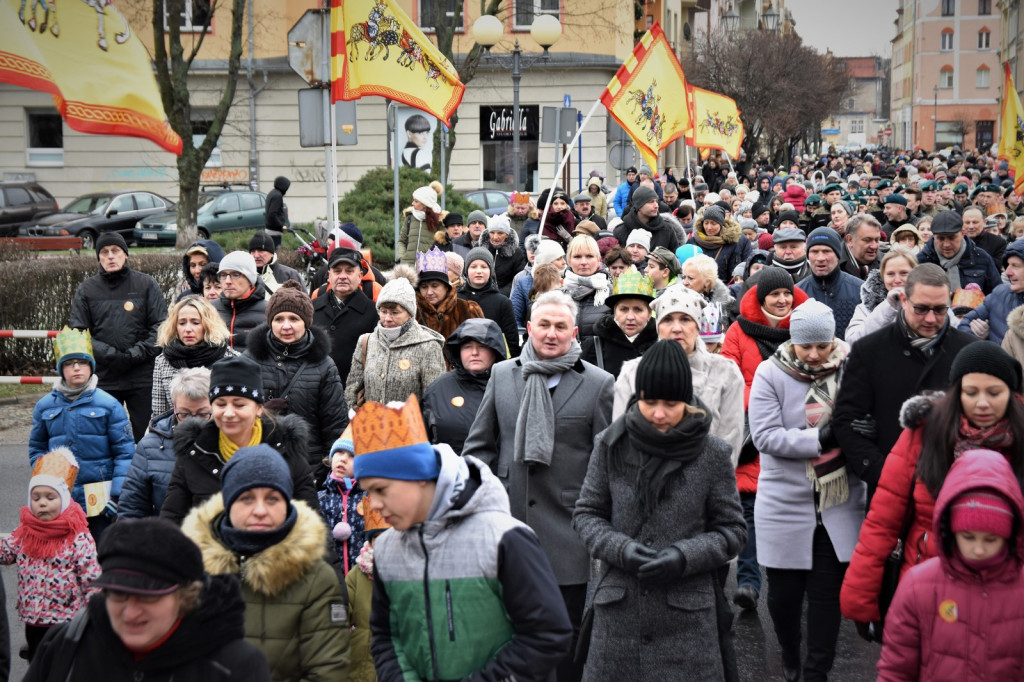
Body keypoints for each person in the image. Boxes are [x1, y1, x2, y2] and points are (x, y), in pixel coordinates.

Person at [353, 396, 573, 681]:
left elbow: (547, 634)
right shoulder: (386, 550)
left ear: (418, 475)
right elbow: (386, 636)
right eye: (368, 493)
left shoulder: (503, 538)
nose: (374, 505)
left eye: (381, 489)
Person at [572, 339, 747, 681]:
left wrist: (684, 556)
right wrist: (622, 549)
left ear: (687, 401)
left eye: (671, 403)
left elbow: (733, 531)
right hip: (619, 617)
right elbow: (587, 515)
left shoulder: (712, 454)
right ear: (638, 398)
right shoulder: (610, 444)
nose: (659, 414)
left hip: (689, 619)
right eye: (650, 402)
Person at [462, 290, 614, 682]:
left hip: (569, 532)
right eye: (543, 325)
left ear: (573, 332)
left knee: (563, 637)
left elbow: (608, 458)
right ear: (528, 328)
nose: (550, 334)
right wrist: (482, 501)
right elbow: (479, 447)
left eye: (560, 327)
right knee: (510, 632)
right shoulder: (502, 374)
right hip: (507, 526)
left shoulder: (598, 383)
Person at [840, 341, 1024, 635]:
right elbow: (883, 520)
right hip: (926, 591)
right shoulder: (925, 435)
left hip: (1006, 601)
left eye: (994, 392)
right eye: (971, 392)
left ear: (1012, 395)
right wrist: (861, 598)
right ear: (956, 393)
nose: (982, 403)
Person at [749, 300, 866, 682]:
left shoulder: (853, 369)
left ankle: (816, 672)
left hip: (838, 502)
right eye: (806, 347)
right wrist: (821, 438)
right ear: (792, 341)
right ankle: (789, 649)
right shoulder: (770, 373)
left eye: (822, 346)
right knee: (783, 600)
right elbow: (765, 436)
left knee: (825, 600)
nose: (815, 355)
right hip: (785, 502)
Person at [22, 517, 271, 682]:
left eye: (148, 597)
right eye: (119, 594)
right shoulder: (66, 644)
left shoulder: (236, 667)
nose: (130, 613)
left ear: (184, 597)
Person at [182, 446, 349, 681]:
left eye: (272, 498)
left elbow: (329, 671)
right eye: (246, 498)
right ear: (228, 502)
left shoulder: (316, 577)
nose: (260, 511)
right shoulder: (192, 569)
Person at [876, 449, 1024, 682]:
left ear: (1010, 534)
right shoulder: (918, 586)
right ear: (951, 529)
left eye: (991, 539)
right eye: (968, 536)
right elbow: (895, 670)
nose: (978, 549)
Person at [832, 263, 977, 498]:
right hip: (890, 489)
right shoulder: (870, 350)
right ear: (904, 301)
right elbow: (846, 418)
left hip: (955, 488)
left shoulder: (969, 351)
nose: (931, 319)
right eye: (921, 309)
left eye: (940, 310)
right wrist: (881, 472)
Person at [722, 268, 810, 611]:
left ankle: (787, 583)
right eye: (774, 294)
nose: (782, 300)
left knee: (788, 513)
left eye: (787, 294)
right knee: (749, 513)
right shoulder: (738, 330)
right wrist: (760, 405)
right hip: (749, 433)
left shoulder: (803, 329)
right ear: (761, 298)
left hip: (791, 433)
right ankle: (748, 581)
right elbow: (730, 375)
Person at [160, 355, 317, 524]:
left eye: (239, 404)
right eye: (221, 404)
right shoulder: (194, 452)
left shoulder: (286, 450)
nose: (228, 413)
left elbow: (313, 526)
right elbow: (172, 521)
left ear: (258, 408)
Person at [614, 284, 745, 462]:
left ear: (697, 326)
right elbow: (622, 438)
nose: (676, 328)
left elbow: (730, 438)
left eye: (685, 319)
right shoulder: (633, 372)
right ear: (658, 326)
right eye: (668, 320)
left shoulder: (725, 372)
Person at [30, 328, 135, 541]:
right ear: (61, 369)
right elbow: (36, 449)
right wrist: (45, 480)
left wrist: (116, 496)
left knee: (100, 554)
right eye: (69, 363)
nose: (76, 368)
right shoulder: (44, 407)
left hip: (99, 501)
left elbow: (125, 453)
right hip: (61, 498)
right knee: (63, 554)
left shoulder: (109, 405)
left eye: (82, 362)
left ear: (91, 367)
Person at [1, 448, 101, 661]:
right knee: (38, 664)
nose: (42, 503)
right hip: (33, 619)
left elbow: (91, 577)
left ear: (63, 500)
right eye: (36, 498)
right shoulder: (25, 533)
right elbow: (6, 551)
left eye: (50, 497)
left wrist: (97, 613)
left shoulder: (78, 537)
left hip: (66, 620)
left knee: (62, 666)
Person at [244, 281, 348, 479]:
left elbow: (335, 425)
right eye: (279, 319)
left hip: (309, 469)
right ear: (270, 322)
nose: (286, 326)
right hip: (260, 464)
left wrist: (329, 470)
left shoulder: (324, 366)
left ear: (306, 322)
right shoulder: (250, 360)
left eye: (294, 318)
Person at [69, 233, 166, 441]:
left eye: (116, 251)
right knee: (103, 438)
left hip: (142, 376)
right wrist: (111, 355)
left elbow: (161, 326)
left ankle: (145, 474)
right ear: (98, 258)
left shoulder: (146, 284)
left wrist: (135, 354)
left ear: (125, 255)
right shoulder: (87, 289)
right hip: (104, 377)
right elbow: (79, 332)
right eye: (104, 252)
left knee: (148, 436)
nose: (110, 256)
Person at [120, 368, 212, 519]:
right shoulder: (150, 446)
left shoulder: (233, 441)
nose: (193, 422)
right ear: (174, 407)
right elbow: (131, 509)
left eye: (203, 414)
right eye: (185, 414)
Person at [345, 277, 446, 408]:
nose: (387, 318)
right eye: (383, 311)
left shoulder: (428, 346)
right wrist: (354, 416)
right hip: (371, 426)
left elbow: (435, 400)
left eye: (395, 312)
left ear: (410, 313)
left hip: (410, 427)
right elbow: (352, 389)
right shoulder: (366, 342)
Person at [421, 318, 506, 454]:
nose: (474, 353)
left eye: (482, 346)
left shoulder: (510, 386)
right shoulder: (438, 389)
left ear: (495, 350)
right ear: (458, 351)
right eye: (467, 347)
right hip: (449, 471)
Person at [151, 296, 238, 417]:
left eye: (195, 322)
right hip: (178, 431)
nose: (187, 329)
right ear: (175, 326)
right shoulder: (163, 361)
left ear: (208, 324)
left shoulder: (231, 359)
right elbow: (159, 414)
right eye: (182, 323)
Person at [311, 246, 380, 388]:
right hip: (316, 391)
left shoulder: (374, 313)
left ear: (360, 275)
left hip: (356, 394)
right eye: (337, 271)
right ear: (329, 275)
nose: (343, 276)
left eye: (349, 271)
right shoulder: (311, 309)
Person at [580, 266, 658, 378]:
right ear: (614, 312)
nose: (630, 317)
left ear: (649, 313)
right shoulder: (594, 346)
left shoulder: (661, 345)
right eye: (624, 309)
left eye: (638, 309)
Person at [344, 495, 389, 682]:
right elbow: (342, 611)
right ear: (370, 542)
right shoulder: (356, 575)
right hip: (361, 660)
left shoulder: (409, 574)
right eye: (379, 538)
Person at [797, 227, 863, 340]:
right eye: (814, 252)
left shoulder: (861, 290)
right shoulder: (797, 293)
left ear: (838, 255)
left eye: (827, 251)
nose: (820, 258)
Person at [844, 248, 919, 346]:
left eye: (904, 273)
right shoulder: (868, 305)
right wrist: (888, 306)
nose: (897, 280)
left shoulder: (930, 301)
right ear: (883, 277)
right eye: (890, 274)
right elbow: (852, 340)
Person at [916, 210, 1002, 295]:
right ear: (933, 236)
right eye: (941, 238)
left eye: (951, 238)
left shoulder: (982, 258)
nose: (946, 244)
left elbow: (998, 295)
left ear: (963, 233)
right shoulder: (921, 262)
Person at [412, 246, 484, 345]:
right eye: (424, 287)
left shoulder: (468, 310)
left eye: (435, 286)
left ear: (446, 287)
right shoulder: (411, 313)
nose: (429, 292)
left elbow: (480, 347)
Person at [958, 238, 1024, 345]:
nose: (1007, 272)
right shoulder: (1000, 294)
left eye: (1015, 266)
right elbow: (964, 325)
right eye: (1008, 265)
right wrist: (982, 340)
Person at [318, 428, 365, 574]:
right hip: (329, 576)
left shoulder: (368, 498)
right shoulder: (320, 499)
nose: (343, 459)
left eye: (352, 456)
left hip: (361, 574)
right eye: (339, 452)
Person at [458, 246, 521, 356]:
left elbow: (512, 341)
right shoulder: (456, 299)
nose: (479, 271)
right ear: (466, 270)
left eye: (484, 267)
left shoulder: (502, 302)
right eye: (473, 267)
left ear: (491, 270)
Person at [212, 251, 268, 350]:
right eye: (223, 275)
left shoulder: (269, 312)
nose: (228, 281)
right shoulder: (209, 309)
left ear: (250, 279)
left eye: (235, 274)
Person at [562, 234, 612, 340]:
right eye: (577, 256)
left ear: (598, 259)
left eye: (589, 256)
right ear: (569, 260)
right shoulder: (557, 294)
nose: (584, 262)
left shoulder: (612, 293)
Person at [689, 205, 752, 283]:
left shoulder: (737, 241)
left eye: (713, 223)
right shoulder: (693, 242)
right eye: (706, 223)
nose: (709, 227)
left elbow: (747, 266)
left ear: (721, 224)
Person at [681, 253, 735, 344]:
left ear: (707, 282)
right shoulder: (678, 301)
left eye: (690, 278)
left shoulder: (729, 304)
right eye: (684, 277)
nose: (685, 282)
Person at [511, 239, 565, 327]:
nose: (564, 262)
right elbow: (515, 318)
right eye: (558, 259)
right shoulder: (523, 283)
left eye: (563, 257)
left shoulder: (569, 279)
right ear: (547, 262)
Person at [614, 186, 680, 254]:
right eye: (651, 202)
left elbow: (674, 259)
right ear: (638, 205)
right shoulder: (621, 231)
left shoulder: (666, 229)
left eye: (656, 201)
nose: (656, 206)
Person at [477, 214, 527, 297]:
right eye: (492, 233)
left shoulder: (516, 253)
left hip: (506, 297)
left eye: (500, 233)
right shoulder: (479, 249)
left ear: (507, 235)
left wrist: (499, 295)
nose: (495, 237)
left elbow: (518, 279)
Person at [397, 182, 443, 266]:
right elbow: (401, 241)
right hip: (407, 268)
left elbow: (443, 245)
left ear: (425, 204)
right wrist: (401, 258)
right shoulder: (409, 218)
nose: (412, 203)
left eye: (416, 201)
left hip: (428, 269)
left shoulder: (439, 221)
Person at [249, 231, 304, 297]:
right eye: (253, 251)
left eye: (261, 251)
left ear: (272, 253)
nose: (256, 255)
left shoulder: (290, 275)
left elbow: (304, 303)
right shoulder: (245, 277)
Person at [840, 214, 882, 280]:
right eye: (867, 240)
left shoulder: (887, 264)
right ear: (850, 240)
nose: (874, 246)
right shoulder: (833, 265)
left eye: (877, 240)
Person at [264, 176, 291, 249]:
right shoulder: (278, 196)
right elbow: (272, 213)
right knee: (275, 251)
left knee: (270, 250)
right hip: (274, 230)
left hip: (269, 228)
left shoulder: (272, 193)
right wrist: (281, 225)